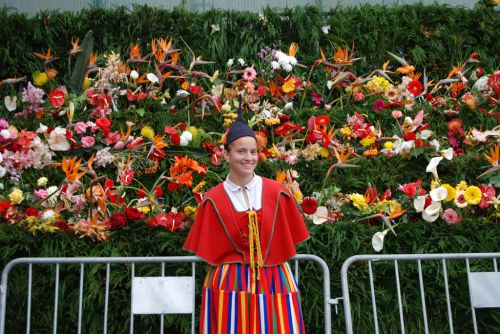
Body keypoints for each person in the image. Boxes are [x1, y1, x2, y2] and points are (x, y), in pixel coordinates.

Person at [183, 104, 310, 334]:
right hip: (228, 282)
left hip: (276, 280)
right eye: (241, 151)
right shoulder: (212, 200)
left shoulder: (277, 192)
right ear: (226, 154)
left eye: (253, 152)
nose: (249, 158)